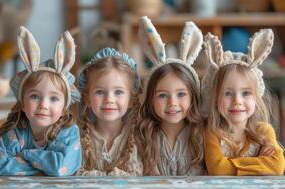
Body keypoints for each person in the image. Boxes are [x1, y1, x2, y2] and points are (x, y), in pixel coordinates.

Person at [0, 26, 82, 176]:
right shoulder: (16, 133)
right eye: (35, 96)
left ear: (64, 108)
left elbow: (60, 167)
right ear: (22, 104)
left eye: (54, 98)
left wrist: (26, 154)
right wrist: (44, 167)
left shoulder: (68, 132)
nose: (43, 104)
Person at [202, 29, 285, 175]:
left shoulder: (264, 131)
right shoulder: (213, 133)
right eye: (228, 93)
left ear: (256, 97)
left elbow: (277, 166)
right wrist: (260, 163)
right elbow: (218, 169)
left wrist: (230, 165)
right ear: (215, 98)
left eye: (245, 93)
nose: (237, 101)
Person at [136, 16, 205, 176]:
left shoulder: (200, 133)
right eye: (162, 96)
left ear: (193, 97)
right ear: (150, 99)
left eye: (181, 94)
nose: (172, 103)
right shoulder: (145, 134)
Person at [76, 47, 142, 176]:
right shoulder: (77, 137)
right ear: (87, 98)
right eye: (100, 92)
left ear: (131, 100)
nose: (109, 100)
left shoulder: (139, 137)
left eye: (118, 92)